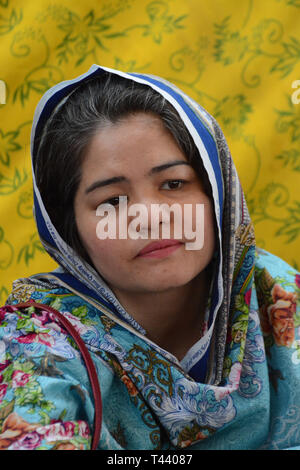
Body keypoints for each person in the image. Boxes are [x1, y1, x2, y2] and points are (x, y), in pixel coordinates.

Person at [0, 64, 299, 450]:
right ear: (69, 232)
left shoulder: (278, 299)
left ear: (217, 193)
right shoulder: (35, 344)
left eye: (174, 184)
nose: (151, 217)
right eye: (112, 201)